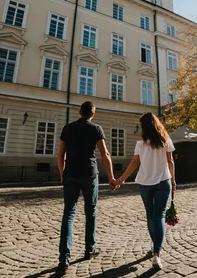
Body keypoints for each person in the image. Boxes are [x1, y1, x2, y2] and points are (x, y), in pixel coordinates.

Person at [56, 101, 115, 276]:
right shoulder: (96, 128)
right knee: (91, 211)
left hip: (71, 174)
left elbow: (60, 154)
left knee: (69, 214)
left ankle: (64, 258)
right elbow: (105, 154)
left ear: (80, 112)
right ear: (93, 114)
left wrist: (62, 173)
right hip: (89, 174)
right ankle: (90, 249)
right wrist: (111, 177)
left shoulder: (68, 128)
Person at [114, 113, 176, 270]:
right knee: (159, 215)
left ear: (144, 127)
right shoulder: (165, 140)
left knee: (150, 215)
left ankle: (155, 247)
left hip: (145, 183)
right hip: (163, 181)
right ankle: (156, 254)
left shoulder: (141, 144)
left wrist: (120, 180)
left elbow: (135, 162)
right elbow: (170, 161)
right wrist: (173, 180)